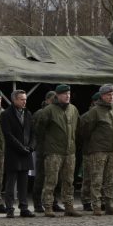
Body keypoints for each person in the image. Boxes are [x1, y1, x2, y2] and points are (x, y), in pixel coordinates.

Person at [36, 84, 81, 217]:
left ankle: (69, 206)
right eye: (64, 94)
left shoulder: (73, 109)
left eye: (69, 93)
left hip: (69, 152)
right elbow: (40, 130)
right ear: (58, 95)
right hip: (53, 152)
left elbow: (78, 128)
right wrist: (47, 146)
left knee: (69, 180)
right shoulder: (49, 110)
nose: (67, 96)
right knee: (51, 180)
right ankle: (48, 206)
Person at [79, 83, 113, 216]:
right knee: (97, 179)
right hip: (98, 151)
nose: (111, 97)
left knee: (111, 179)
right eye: (108, 95)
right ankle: (96, 205)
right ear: (102, 96)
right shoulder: (94, 111)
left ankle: (109, 204)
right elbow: (84, 131)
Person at [0, 89, 36, 218]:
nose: (24, 101)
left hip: (26, 153)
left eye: (25, 99)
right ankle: (9, 208)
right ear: (14, 100)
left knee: (23, 183)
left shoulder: (28, 114)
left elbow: (33, 133)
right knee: (11, 183)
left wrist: (31, 147)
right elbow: (8, 135)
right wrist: (21, 148)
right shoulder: (6, 114)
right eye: (22, 99)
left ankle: (24, 207)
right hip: (13, 153)